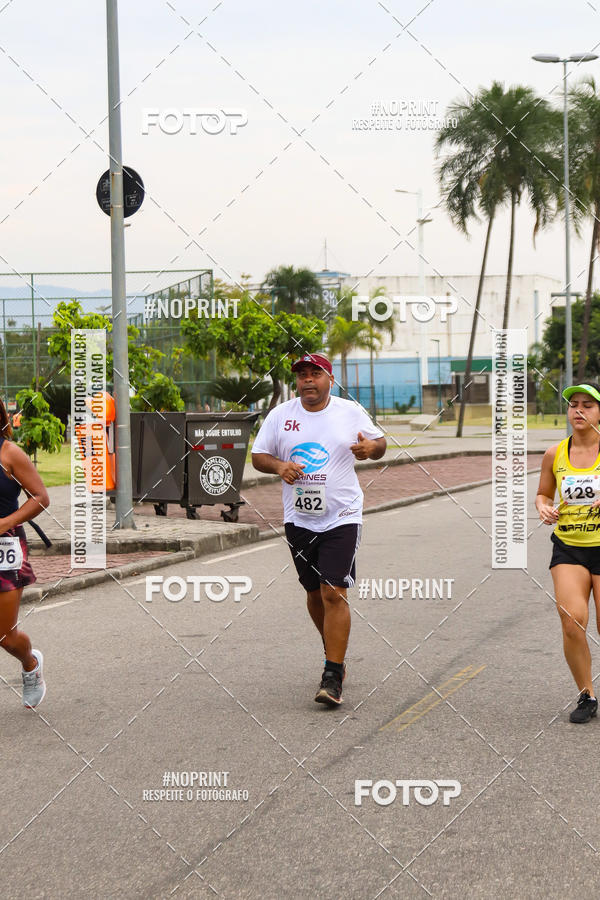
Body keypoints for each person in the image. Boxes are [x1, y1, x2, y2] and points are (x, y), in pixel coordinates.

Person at [252, 353, 386, 707]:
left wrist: (371, 448)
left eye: (315, 374)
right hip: (299, 517)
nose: (308, 380)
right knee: (313, 593)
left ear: (329, 378)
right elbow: (258, 455)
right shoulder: (281, 415)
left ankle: (332, 674)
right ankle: (334, 651)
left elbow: (379, 444)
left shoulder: (349, 411)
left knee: (333, 592)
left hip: (342, 514)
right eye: (302, 376)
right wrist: (279, 466)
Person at [536, 382, 600, 723]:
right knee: (572, 621)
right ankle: (587, 695)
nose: (579, 410)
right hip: (569, 547)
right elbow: (543, 494)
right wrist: (543, 508)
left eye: (588, 405)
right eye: (574, 404)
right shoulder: (554, 453)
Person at [0, 398, 50, 708]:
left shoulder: (9, 453)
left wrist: (4, 522)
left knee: (5, 637)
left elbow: (41, 497)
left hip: (5, 548)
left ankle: (30, 665)